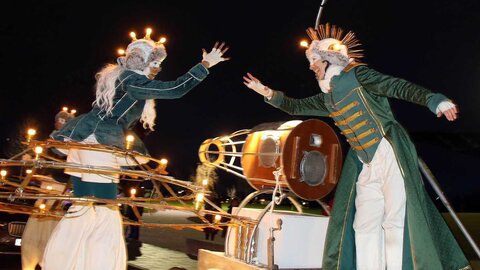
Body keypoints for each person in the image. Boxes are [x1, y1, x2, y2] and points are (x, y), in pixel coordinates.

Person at [243, 23, 469, 270]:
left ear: (330, 58)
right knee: (364, 223)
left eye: (315, 59)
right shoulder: (327, 97)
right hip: (364, 161)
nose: (311, 66)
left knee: (395, 220)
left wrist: (433, 100)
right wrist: (266, 92)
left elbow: (397, 86)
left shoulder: (358, 75)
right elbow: (295, 107)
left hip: (388, 150)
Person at [42, 28, 230, 270]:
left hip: (87, 141)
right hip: (99, 143)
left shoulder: (120, 77)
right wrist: (205, 65)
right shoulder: (132, 81)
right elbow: (175, 89)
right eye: (156, 63)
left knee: (85, 206)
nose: (157, 68)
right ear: (146, 62)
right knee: (101, 207)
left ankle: (71, 262)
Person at [21, 108, 74, 270]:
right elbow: (42, 156)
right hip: (47, 185)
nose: (59, 123)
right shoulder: (51, 140)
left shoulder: (72, 143)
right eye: (58, 120)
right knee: (39, 220)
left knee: (53, 221)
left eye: (63, 121)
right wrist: (31, 158)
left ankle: (49, 260)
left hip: (61, 188)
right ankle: (32, 258)